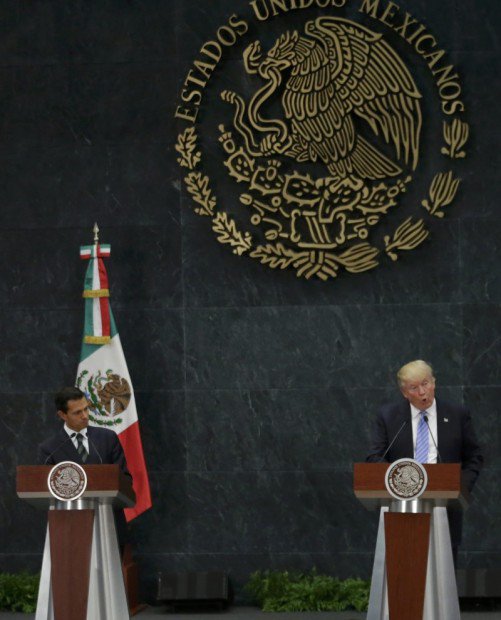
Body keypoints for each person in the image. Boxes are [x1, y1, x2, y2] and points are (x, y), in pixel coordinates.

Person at [366, 360, 483, 564]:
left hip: (445, 508)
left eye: (426, 383)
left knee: (444, 575)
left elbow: (474, 456)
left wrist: (460, 487)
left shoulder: (457, 414)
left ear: (434, 383)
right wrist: (400, 483)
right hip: (400, 508)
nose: (422, 392)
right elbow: (375, 456)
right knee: (404, 573)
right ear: (404, 393)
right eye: (414, 387)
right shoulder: (388, 416)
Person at [38, 386, 133, 550]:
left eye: (86, 409)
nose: (85, 416)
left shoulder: (107, 438)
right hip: (69, 528)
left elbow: (125, 479)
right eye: (77, 413)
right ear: (62, 415)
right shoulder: (49, 448)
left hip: (109, 524)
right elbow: (43, 488)